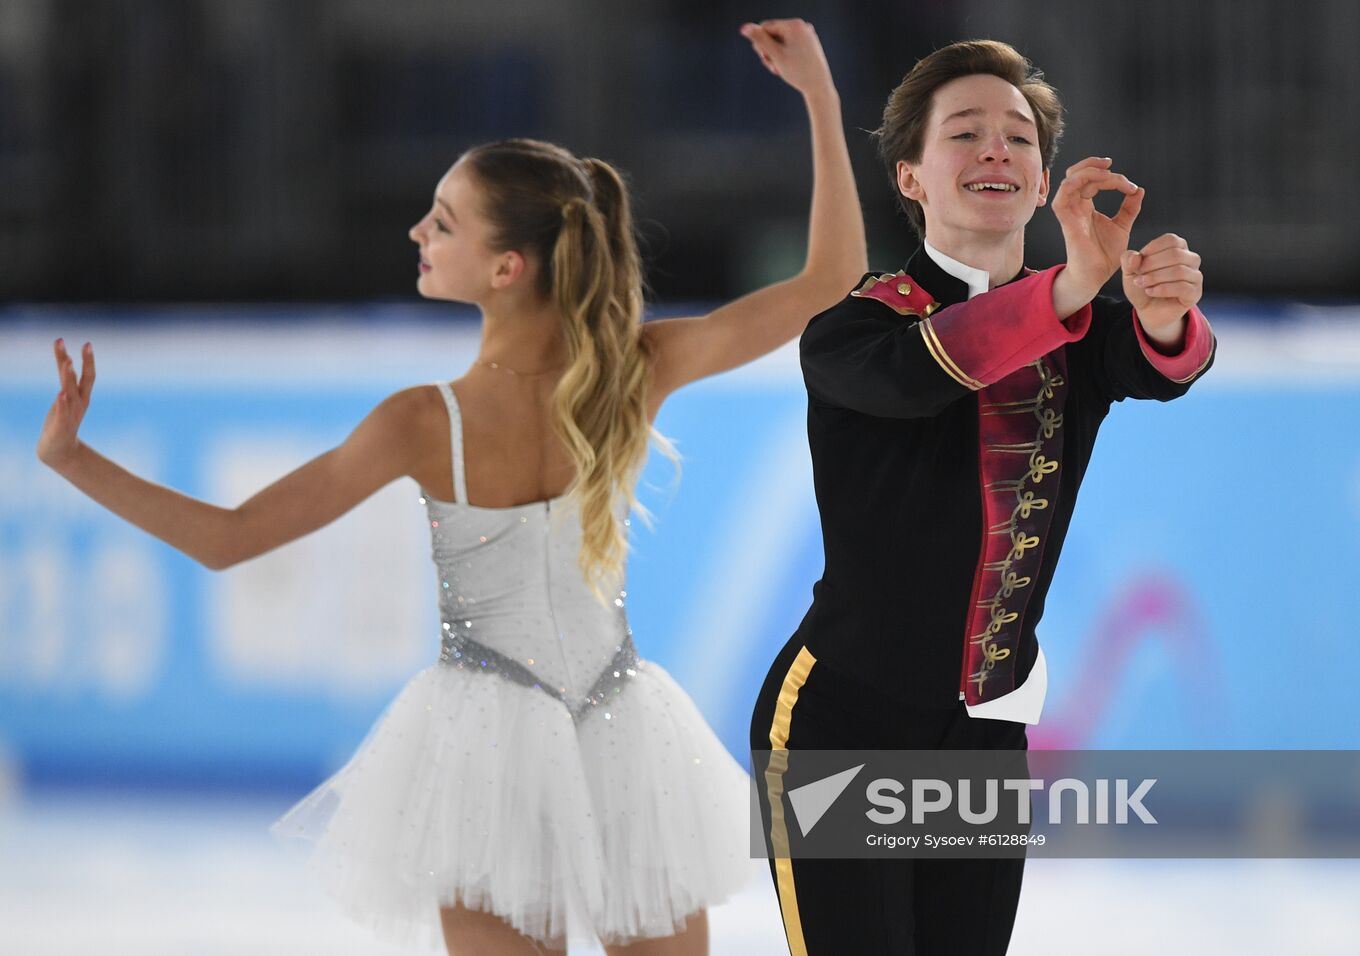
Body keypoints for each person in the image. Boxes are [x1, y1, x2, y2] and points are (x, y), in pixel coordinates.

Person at [35, 19, 865, 956]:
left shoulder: (426, 420)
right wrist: (821, 102)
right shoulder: (636, 369)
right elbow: (834, 280)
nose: (417, 232)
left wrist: (73, 459)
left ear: (508, 269)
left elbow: (229, 539)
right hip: (622, 732)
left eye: (443, 221)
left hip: (492, 752)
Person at [750, 39, 1215, 956]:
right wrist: (1071, 287)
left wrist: (1162, 306)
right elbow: (930, 370)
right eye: (965, 134)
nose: (996, 150)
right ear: (912, 178)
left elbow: (1162, 362)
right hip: (842, 725)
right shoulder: (853, 329)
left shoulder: (1080, 325)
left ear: (1044, 185)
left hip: (984, 734)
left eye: (1018, 138)